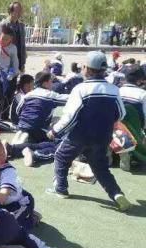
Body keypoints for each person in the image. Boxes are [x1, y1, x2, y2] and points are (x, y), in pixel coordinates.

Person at [46, 51, 130, 211]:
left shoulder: (80, 89)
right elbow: (121, 113)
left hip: (79, 136)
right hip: (102, 137)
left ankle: (60, 189)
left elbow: (70, 116)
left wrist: (55, 131)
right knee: (101, 168)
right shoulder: (113, 89)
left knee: (61, 158)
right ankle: (116, 193)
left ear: (88, 69)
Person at [16, 71, 68, 143]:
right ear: (45, 83)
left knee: (53, 119)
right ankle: (17, 147)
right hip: (37, 128)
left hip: (21, 125)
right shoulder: (50, 95)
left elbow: (18, 110)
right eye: (50, 81)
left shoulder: (28, 95)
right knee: (57, 142)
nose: (52, 84)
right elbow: (68, 99)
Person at [118, 65, 146, 169]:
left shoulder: (117, 91)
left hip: (117, 131)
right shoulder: (143, 94)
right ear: (140, 80)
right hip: (136, 132)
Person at [0, 2, 26, 73]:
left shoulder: (21, 26)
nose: (19, 13)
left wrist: (22, 64)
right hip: (5, 65)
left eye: (20, 11)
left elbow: (23, 46)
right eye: (17, 11)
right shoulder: (2, 25)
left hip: (18, 63)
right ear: (10, 11)